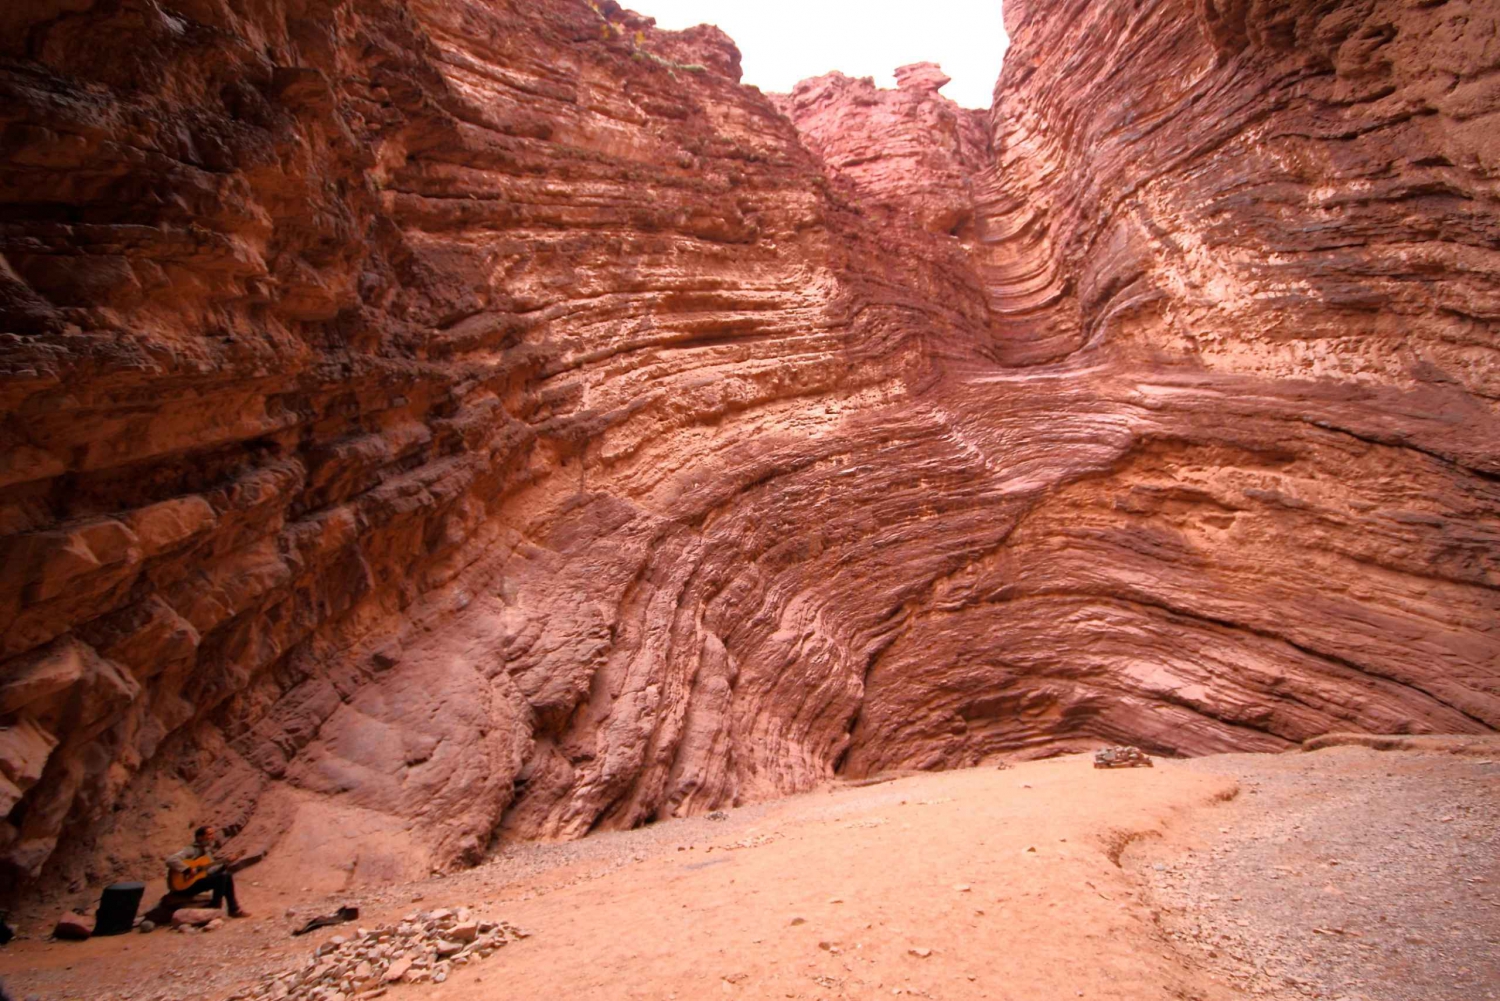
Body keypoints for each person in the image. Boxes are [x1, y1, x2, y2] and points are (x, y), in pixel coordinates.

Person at [165, 824, 250, 918]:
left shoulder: (207, 852)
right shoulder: (190, 850)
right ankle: (215, 906)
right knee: (222, 877)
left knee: (227, 875)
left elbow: (211, 871)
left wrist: (226, 862)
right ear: (200, 837)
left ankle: (234, 909)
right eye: (209, 834)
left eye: (212, 834)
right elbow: (171, 860)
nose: (212, 837)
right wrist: (187, 870)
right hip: (184, 886)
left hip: (196, 883)